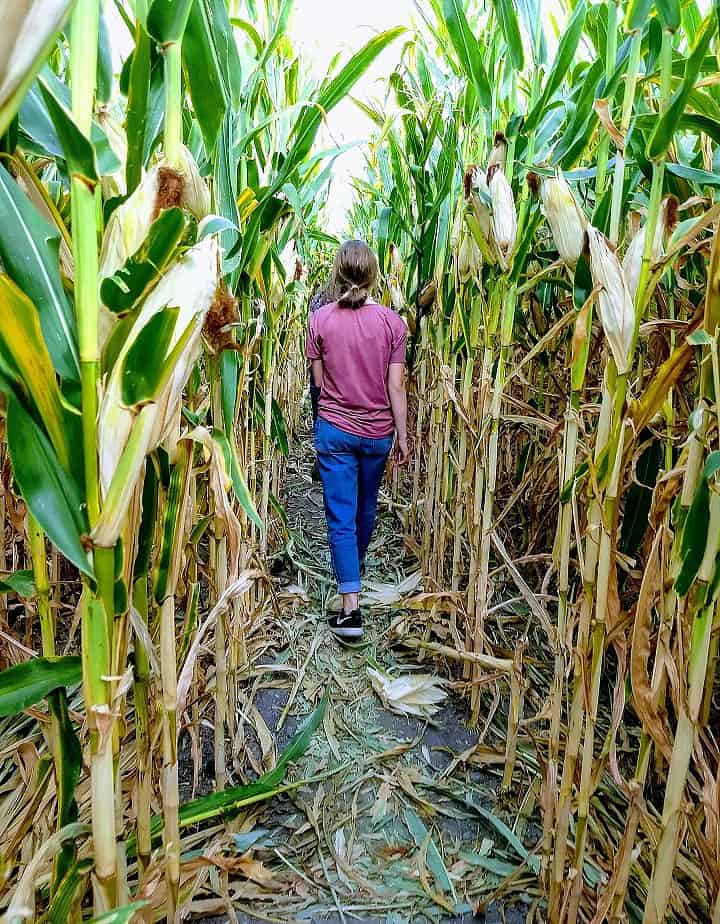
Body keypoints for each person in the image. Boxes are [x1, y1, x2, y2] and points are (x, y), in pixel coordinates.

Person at [306, 240, 409, 640]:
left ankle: (350, 608)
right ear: (373, 275)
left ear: (337, 273)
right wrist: (403, 434)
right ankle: (354, 572)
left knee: (340, 515)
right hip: (378, 433)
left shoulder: (320, 321)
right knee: (366, 508)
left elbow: (318, 384)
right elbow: (396, 386)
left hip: (335, 430)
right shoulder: (392, 323)